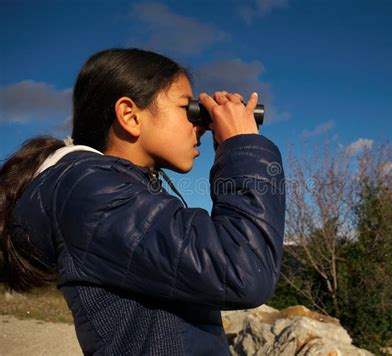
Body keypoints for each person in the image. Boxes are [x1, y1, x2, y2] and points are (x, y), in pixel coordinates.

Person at [0, 48, 285, 355]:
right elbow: (242, 270)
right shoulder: (93, 195)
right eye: (188, 109)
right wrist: (242, 146)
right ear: (130, 115)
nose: (201, 125)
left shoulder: (110, 192)